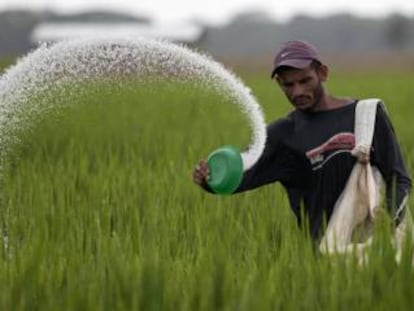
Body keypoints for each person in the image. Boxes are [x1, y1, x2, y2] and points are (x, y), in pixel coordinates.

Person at [192, 40, 412, 242]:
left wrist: (388, 223)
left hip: (376, 246)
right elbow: (241, 177)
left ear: (322, 73)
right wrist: (209, 180)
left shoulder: (367, 116)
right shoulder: (283, 135)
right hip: (326, 256)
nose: (297, 91)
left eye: (305, 81)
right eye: (288, 85)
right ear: (279, 83)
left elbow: (399, 178)